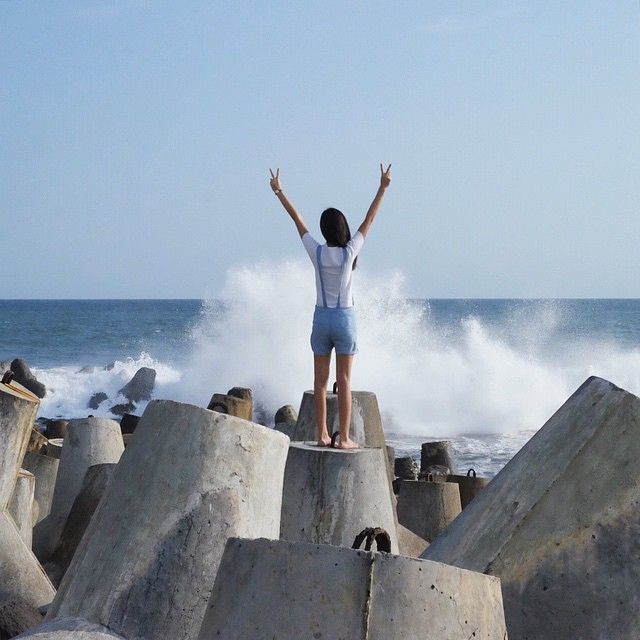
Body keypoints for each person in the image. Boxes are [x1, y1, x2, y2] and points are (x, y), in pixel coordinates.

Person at [269, 164, 392, 448]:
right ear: (342, 229)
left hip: (321, 319)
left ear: (324, 230)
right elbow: (369, 219)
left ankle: (322, 435)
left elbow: (297, 221)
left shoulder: (317, 252)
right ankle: (344, 438)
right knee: (345, 382)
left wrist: (280, 192)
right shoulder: (350, 252)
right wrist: (383, 187)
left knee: (320, 384)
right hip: (345, 320)